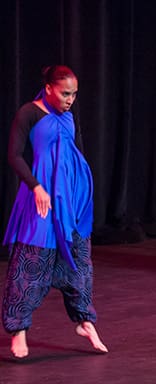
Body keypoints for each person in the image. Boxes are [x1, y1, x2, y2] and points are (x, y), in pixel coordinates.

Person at [2, 65, 108, 359]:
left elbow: (75, 154)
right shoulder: (29, 113)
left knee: (80, 263)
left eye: (74, 94)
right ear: (48, 88)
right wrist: (36, 187)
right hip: (41, 198)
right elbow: (14, 155)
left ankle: (85, 321)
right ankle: (18, 329)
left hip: (70, 199)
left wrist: (82, 190)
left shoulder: (69, 117)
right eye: (64, 93)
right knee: (31, 262)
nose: (70, 99)